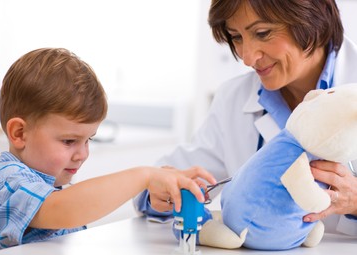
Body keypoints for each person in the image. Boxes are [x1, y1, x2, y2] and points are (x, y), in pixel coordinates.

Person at [135, 0, 357, 236]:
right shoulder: (234, 98)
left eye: (262, 33)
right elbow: (165, 178)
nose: (247, 58)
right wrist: (158, 192)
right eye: (236, 37)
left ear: (312, 18)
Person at [0, 48, 216, 255]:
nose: (82, 154)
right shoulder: (6, 182)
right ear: (19, 134)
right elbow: (64, 209)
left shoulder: (54, 187)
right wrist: (144, 176)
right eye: (69, 141)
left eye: (89, 140)